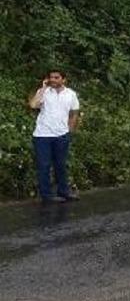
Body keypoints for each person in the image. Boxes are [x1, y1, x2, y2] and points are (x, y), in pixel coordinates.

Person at [29, 69, 81, 204]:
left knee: (61, 165)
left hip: (61, 135)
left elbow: (74, 113)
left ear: (63, 79)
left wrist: (70, 130)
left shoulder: (71, 94)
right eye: (51, 77)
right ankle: (47, 195)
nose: (53, 80)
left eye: (56, 77)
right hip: (42, 135)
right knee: (44, 165)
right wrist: (43, 87)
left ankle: (64, 192)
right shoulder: (44, 92)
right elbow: (33, 105)